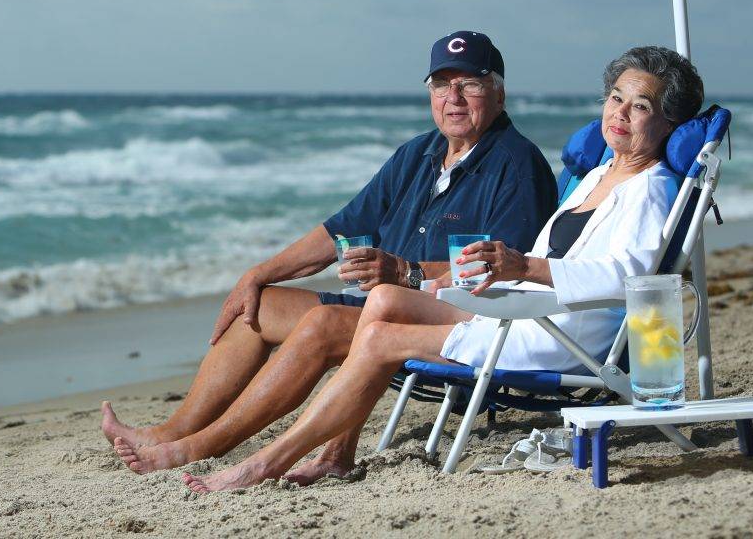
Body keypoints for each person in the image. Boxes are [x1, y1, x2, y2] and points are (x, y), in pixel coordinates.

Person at [181, 45, 704, 492]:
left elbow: (631, 278)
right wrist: (420, 279)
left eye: (641, 107)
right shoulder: (598, 177)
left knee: (381, 337)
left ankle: (268, 460)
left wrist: (523, 265)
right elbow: (344, 228)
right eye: (616, 99)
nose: (621, 113)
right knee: (382, 300)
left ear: (668, 122)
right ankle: (336, 450)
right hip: (523, 310)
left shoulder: (650, 189)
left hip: (557, 332)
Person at [104, 31, 557, 480]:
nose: (453, 97)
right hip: (381, 306)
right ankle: (172, 431)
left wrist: (406, 272)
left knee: (322, 324)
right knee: (259, 306)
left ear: (498, 91)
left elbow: (500, 269)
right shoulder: (418, 154)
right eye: (442, 84)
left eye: (470, 84)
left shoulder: (517, 165)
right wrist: (255, 275)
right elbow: (337, 231)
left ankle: (198, 449)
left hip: (454, 325)